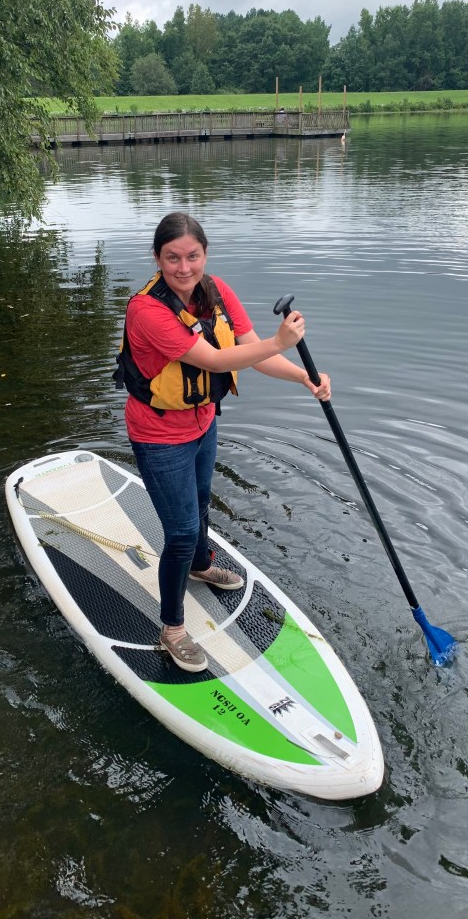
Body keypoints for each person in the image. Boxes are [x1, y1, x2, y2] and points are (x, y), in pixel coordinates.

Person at [114, 211, 331, 673]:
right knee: (179, 532)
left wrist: (305, 378)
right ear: (157, 259)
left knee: (201, 502)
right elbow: (214, 360)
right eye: (172, 258)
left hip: (202, 422)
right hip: (158, 434)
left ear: (205, 255)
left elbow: (250, 352)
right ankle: (172, 627)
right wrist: (280, 341)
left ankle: (200, 566)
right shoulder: (147, 310)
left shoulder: (217, 292)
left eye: (193, 256)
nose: (184, 267)